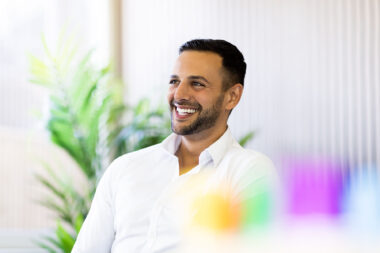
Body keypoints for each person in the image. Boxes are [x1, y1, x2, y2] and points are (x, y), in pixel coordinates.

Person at [72, 39, 276, 253]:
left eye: (197, 84)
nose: (179, 95)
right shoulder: (124, 168)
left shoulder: (249, 172)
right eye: (174, 82)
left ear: (232, 96)